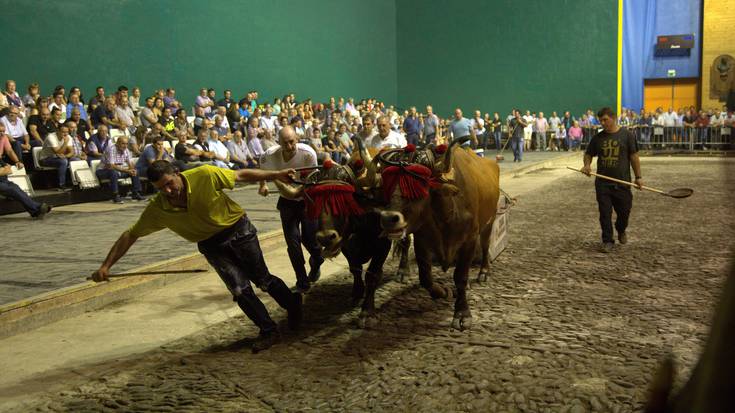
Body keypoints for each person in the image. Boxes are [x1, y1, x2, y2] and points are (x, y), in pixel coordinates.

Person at [91, 161, 301, 352]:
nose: (167, 191)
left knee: (263, 280)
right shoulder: (158, 207)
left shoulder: (204, 174)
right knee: (240, 289)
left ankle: (293, 305)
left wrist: (276, 174)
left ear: (177, 173)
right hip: (211, 246)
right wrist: (105, 266)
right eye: (161, 188)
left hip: (238, 231)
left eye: (169, 183)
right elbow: (131, 234)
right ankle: (268, 330)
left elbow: (241, 175)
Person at [259, 125, 323, 293]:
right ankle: (302, 281)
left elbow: (312, 180)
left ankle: (317, 261)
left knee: (310, 240)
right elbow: (264, 172)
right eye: (285, 143)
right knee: (293, 243)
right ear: (278, 142)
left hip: (306, 198)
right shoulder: (269, 156)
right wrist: (263, 185)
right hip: (287, 202)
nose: (289, 146)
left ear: (297, 139)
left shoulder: (308, 153)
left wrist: (295, 188)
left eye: (292, 142)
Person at [581, 107, 642, 253]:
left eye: (605, 120)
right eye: (600, 120)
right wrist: (587, 165)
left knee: (624, 212)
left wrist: (638, 177)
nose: (602, 123)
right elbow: (588, 154)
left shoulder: (627, 135)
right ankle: (607, 240)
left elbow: (634, 157)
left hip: (622, 182)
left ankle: (621, 229)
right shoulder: (598, 138)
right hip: (603, 184)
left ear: (613, 118)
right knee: (604, 213)